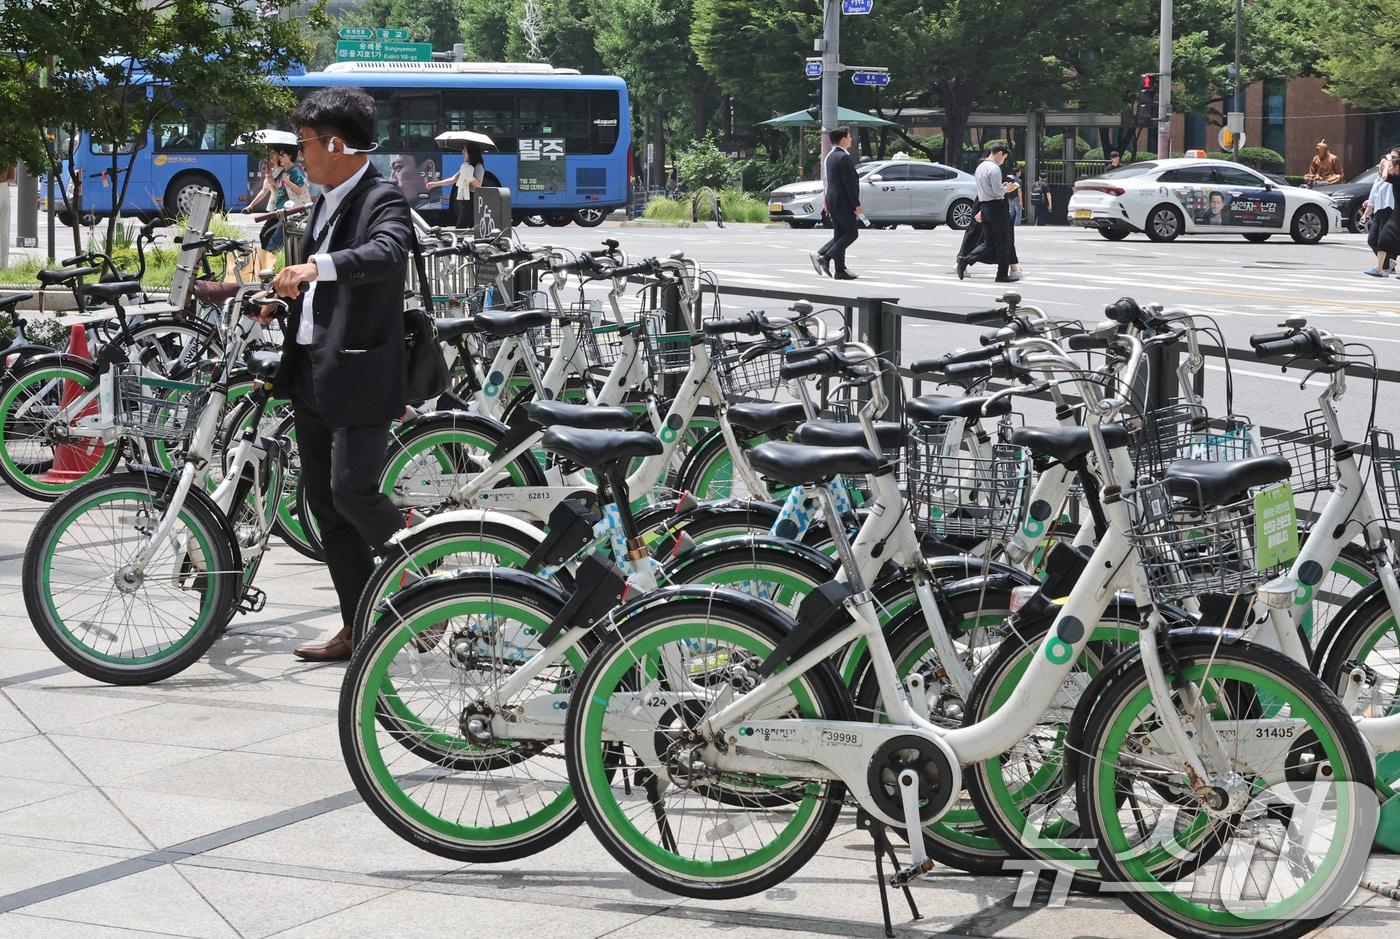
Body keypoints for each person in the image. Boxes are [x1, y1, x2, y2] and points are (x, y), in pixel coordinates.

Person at [262, 86, 414, 662]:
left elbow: (385, 255)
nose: (300, 157)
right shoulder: (323, 201)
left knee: (354, 492)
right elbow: (318, 293)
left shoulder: (382, 199)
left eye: (304, 145)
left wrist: (315, 266)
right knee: (323, 503)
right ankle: (358, 626)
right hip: (311, 371)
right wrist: (280, 299)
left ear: (337, 143)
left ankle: (423, 581)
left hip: (360, 374)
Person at [958, 144, 1017, 282]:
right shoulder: (994, 169)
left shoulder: (980, 167)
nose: (1003, 161)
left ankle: (965, 260)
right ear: (1000, 154)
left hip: (984, 205)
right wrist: (1007, 188)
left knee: (989, 241)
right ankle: (1001, 275)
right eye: (1004, 158)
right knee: (1003, 240)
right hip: (996, 206)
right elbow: (997, 191)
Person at [811, 127, 862, 280]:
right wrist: (856, 204)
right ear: (843, 139)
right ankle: (825, 257)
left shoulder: (830, 156)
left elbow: (827, 182)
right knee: (852, 233)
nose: (851, 139)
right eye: (849, 136)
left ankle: (840, 270)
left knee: (840, 234)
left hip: (833, 200)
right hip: (843, 202)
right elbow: (849, 184)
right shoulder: (843, 158)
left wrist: (826, 201)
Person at [427, 142, 486, 228]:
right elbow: (453, 179)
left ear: (471, 152)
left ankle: (461, 238)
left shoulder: (478, 166)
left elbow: (478, 185)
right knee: (467, 224)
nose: (462, 152)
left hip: (471, 199)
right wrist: (435, 184)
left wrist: (469, 176)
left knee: (462, 225)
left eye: (465, 150)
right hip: (464, 199)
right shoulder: (465, 166)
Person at [1365, 151, 1399, 276]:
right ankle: (1386, 266)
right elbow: (1374, 194)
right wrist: (1368, 209)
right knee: (1375, 240)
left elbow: (1387, 177)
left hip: (1390, 211)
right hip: (1382, 212)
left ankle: (1384, 267)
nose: (1383, 165)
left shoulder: (1394, 177)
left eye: (1389, 163)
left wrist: (1387, 166)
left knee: (1384, 240)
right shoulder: (1379, 178)